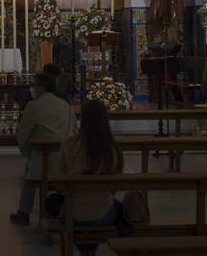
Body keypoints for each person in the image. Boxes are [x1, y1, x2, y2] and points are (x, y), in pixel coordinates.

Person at [54, 99, 123, 254]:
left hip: (74, 212)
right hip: (104, 213)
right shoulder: (112, 148)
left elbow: (60, 186)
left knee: (65, 210)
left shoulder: (69, 144)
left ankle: (86, 252)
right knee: (117, 208)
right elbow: (116, 186)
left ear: (82, 118)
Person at [11, 72, 76, 225]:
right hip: (66, 161)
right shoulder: (65, 106)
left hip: (42, 161)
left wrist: (30, 153)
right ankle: (61, 208)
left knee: (30, 173)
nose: (32, 89)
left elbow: (23, 135)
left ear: (41, 87)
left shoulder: (34, 106)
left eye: (34, 85)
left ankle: (23, 212)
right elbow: (74, 131)